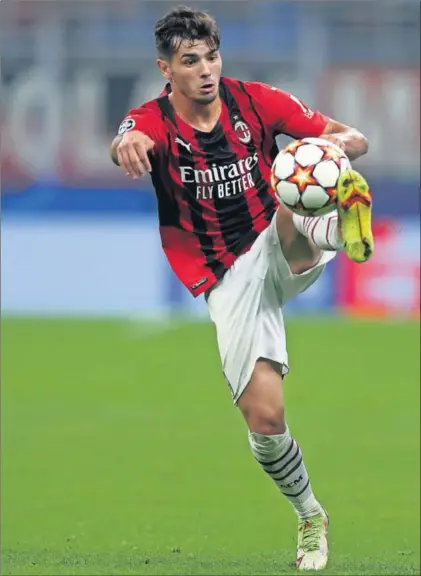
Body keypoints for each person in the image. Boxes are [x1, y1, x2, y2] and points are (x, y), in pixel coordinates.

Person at [110, 6, 373, 571]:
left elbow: (353, 137)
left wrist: (333, 149)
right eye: (190, 61)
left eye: (212, 56)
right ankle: (310, 516)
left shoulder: (255, 100)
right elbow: (126, 138)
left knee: (292, 173)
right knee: (266, 419)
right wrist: (124, 147)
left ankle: (336, 224)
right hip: (227, 279)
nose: (205, 70)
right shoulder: (152, 121)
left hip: (277, 236)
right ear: (166, 69)